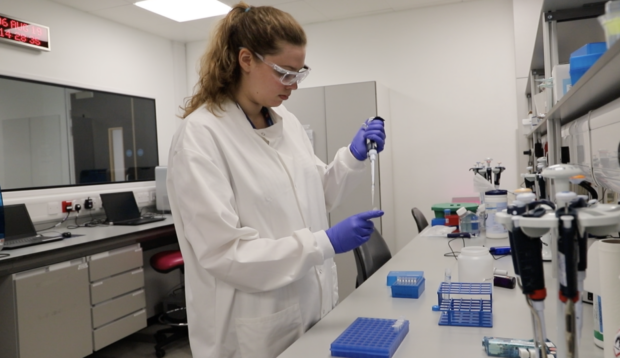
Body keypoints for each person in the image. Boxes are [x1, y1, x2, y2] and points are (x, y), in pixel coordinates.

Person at [166, 2, 386, 357]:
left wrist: (352, 157)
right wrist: (324, 243)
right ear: (246, 60)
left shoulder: (288, 123)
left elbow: (317, 194)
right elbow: (226, 253)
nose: (293, 87)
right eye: (285, 73)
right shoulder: (201, 136)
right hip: (252, 327)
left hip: (312, 307)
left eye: (300, 74)